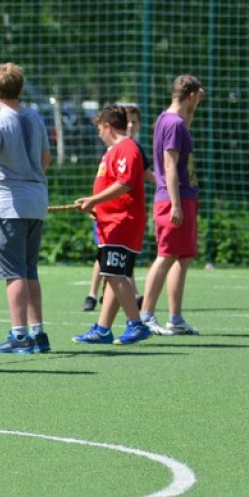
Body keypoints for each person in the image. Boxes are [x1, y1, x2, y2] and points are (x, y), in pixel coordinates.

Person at [0, 63, 52, 355]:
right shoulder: (36, 118)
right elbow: (46, 158)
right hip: (37, 200)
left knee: (13, 272)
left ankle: (19, 335)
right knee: (30, 270)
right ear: (21, 87)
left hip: (11, 204)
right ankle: (38, 334)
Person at [72, 105, 152, 345]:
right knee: (115, 275)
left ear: (108, 126)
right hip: (110, 222)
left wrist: (94, 200)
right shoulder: (113, 151)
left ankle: (136, 324)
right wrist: (98, 208)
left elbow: (125, 183)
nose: (99, 134)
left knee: (113, 273)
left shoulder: (127, 148)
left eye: (99, 129)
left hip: (122, 223)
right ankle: (103, 329)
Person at [139, 75, 206, 336]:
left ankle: (175, 318)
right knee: (166, 255)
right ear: (191, 95)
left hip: (184, 195)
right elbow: (169, 165)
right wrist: (175, 204)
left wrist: (194, 108)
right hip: (173, 198)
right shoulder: (173, 123)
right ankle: (145, 316)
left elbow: (184, 131)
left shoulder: (171, 120)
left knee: (183, 256)